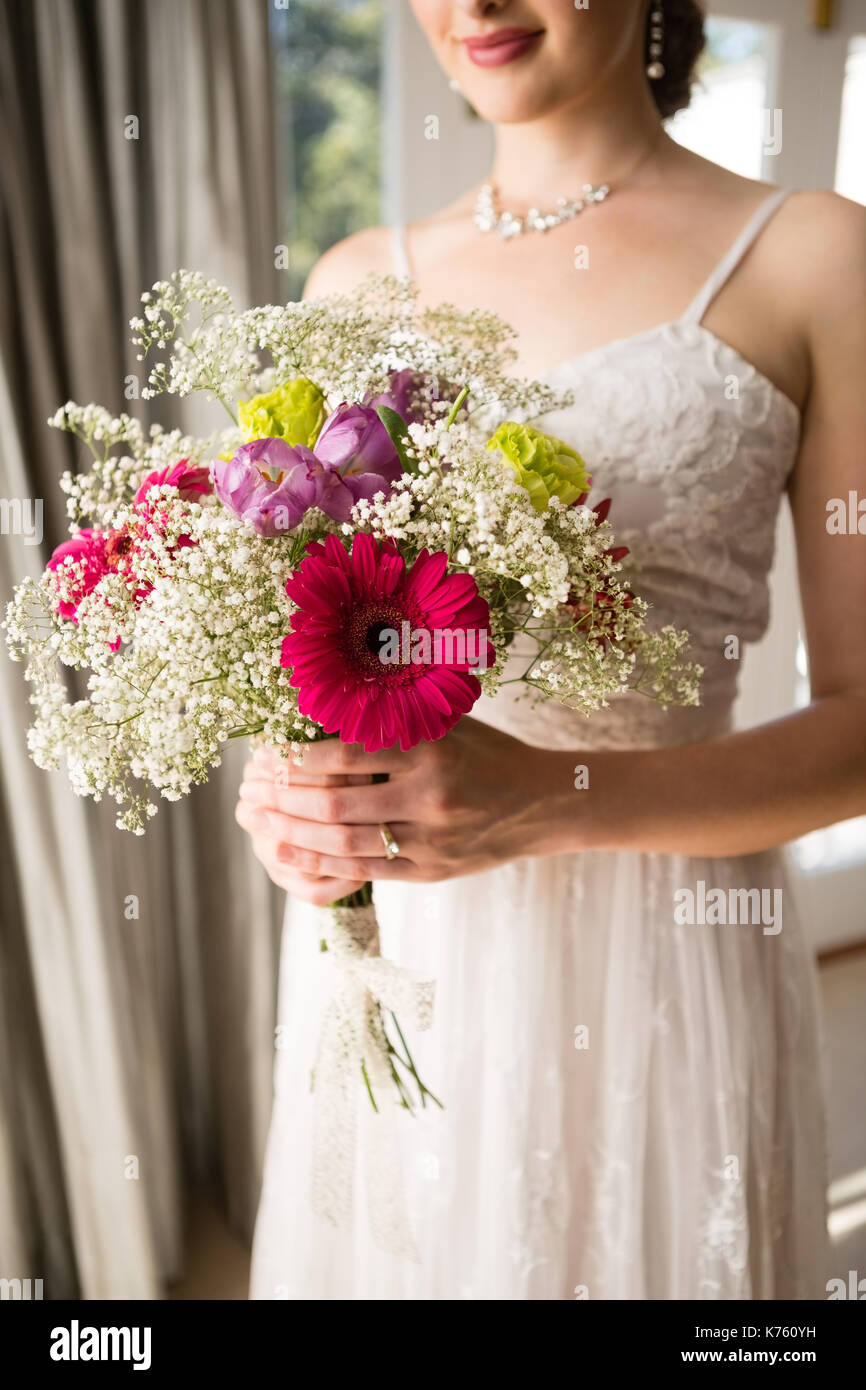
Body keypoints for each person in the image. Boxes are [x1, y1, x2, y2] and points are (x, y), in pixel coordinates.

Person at [239, 0, 866, 1299]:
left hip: (666, 956)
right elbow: (298, 660)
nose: (471, 5)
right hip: (406, 968)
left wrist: (543, 803)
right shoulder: (351, 285)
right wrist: (288, 803)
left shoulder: (811, 255)